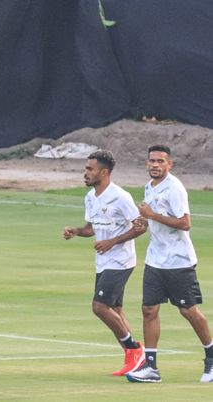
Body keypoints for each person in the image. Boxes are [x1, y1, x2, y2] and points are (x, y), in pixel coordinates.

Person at [126, 145, 213, 383]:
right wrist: (142, 221)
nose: (155, 165)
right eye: (151, 161)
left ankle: (211, 359)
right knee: (149, 310)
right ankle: (151, 368)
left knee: (188, 311)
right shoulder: (149, 186)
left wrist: (153, 215)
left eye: (160, 161)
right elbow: (151, 218)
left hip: (178, 261)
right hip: (155, 259)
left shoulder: (174, 188)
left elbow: (185, 223)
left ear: (170, 164)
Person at [62, 150, 146, 376]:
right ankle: (136, 361)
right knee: (116, 310)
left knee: (99, 307)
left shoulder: (120, 197)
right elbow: (91, 229)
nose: (85, 173)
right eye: (86, 168)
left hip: (121, 261)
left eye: (90, 169)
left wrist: (113, 241)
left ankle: (134, 350)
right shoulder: (90, 198)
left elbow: (141, 225)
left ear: (104, 172)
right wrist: (77, 231)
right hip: (103, 261)